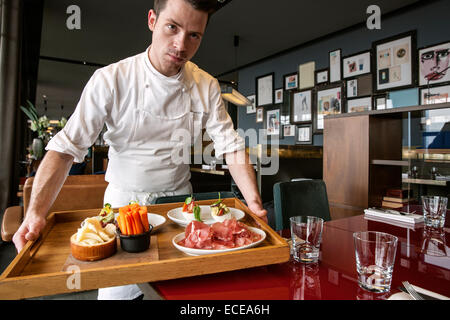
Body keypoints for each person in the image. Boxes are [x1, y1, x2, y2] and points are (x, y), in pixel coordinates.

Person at [12, 0, 267, 299]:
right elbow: (65, 148)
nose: (181, 44)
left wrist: (253, 203)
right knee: (119, 295)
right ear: (152, 20)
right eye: (172, 27)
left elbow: (231, 146)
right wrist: (35, 215)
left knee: (181, 295)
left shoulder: (206, 85)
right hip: (123, 208)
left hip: (178, 210)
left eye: (194, 35)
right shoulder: (111, 79)